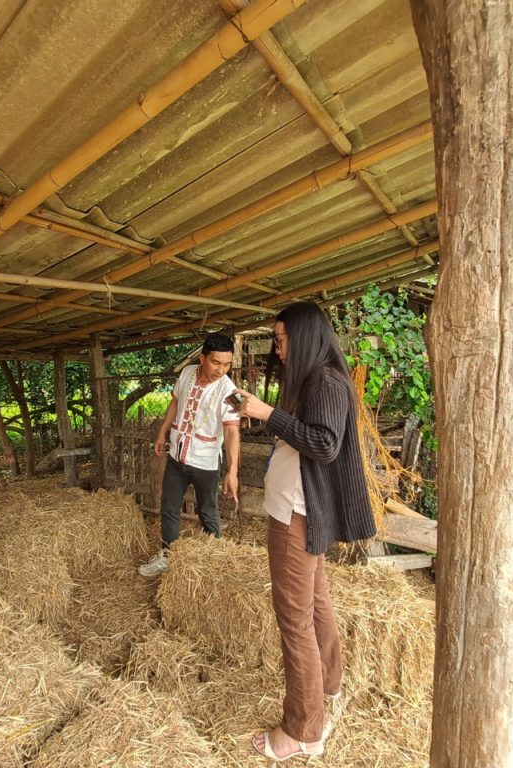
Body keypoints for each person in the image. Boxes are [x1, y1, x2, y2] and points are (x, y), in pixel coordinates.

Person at [233, 302, 375, 762]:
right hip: (294, 508)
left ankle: (303, 730)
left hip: (296, 514)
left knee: (294, 618)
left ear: (306, 335)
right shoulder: (319, 379)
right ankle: (327, 686)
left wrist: (267, 413)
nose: (278, 347)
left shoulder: (326, 381)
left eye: (281, 338)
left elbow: (324, 444)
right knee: (314, 602)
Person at [138, 333, 241, 577]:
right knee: (169, 507)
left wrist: (232, 469)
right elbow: (174, 402)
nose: (221, 370)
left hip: (206, 462)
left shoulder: (232, 391)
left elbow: (233, 430)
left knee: (207, 511)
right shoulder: (186, 373)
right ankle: (169, 555)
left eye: (227, 364)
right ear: (202, 357)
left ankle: (214, 558)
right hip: (177, 455)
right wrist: (163, 433)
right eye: (216, 363)